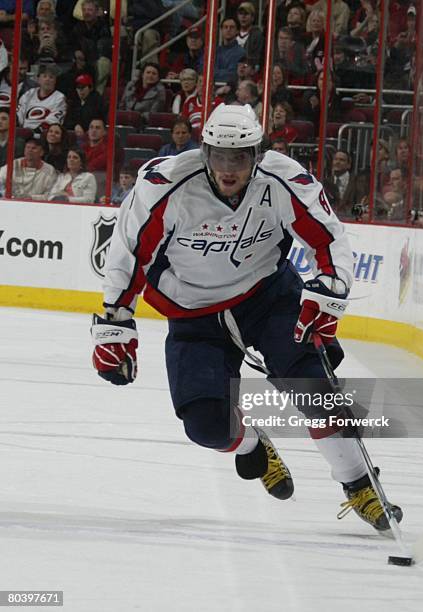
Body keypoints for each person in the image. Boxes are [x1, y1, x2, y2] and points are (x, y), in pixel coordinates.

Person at [91, 104, 403, 531]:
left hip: (267, 297)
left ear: (257, 153)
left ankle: (358, 483)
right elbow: (128, 255)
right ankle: (252, 440)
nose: (228, 167)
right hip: (193, 314)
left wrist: (329, 293)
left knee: (314, 388)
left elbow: (330, 240)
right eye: (219, 155)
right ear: (204, 151)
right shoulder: (164, 185)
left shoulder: (284, 180)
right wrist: (115, 323)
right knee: (205, 426)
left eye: (239, 157)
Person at [17, 63, 67, 132]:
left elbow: (54, 119)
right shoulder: (29, 94)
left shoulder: (59, 98)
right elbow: (19, 113)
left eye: (51, 77)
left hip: (44, 134)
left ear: (55, 81)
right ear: (38, 79)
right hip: (24, 131)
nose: (47, 79)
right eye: (44, 76)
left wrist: (37, 130)